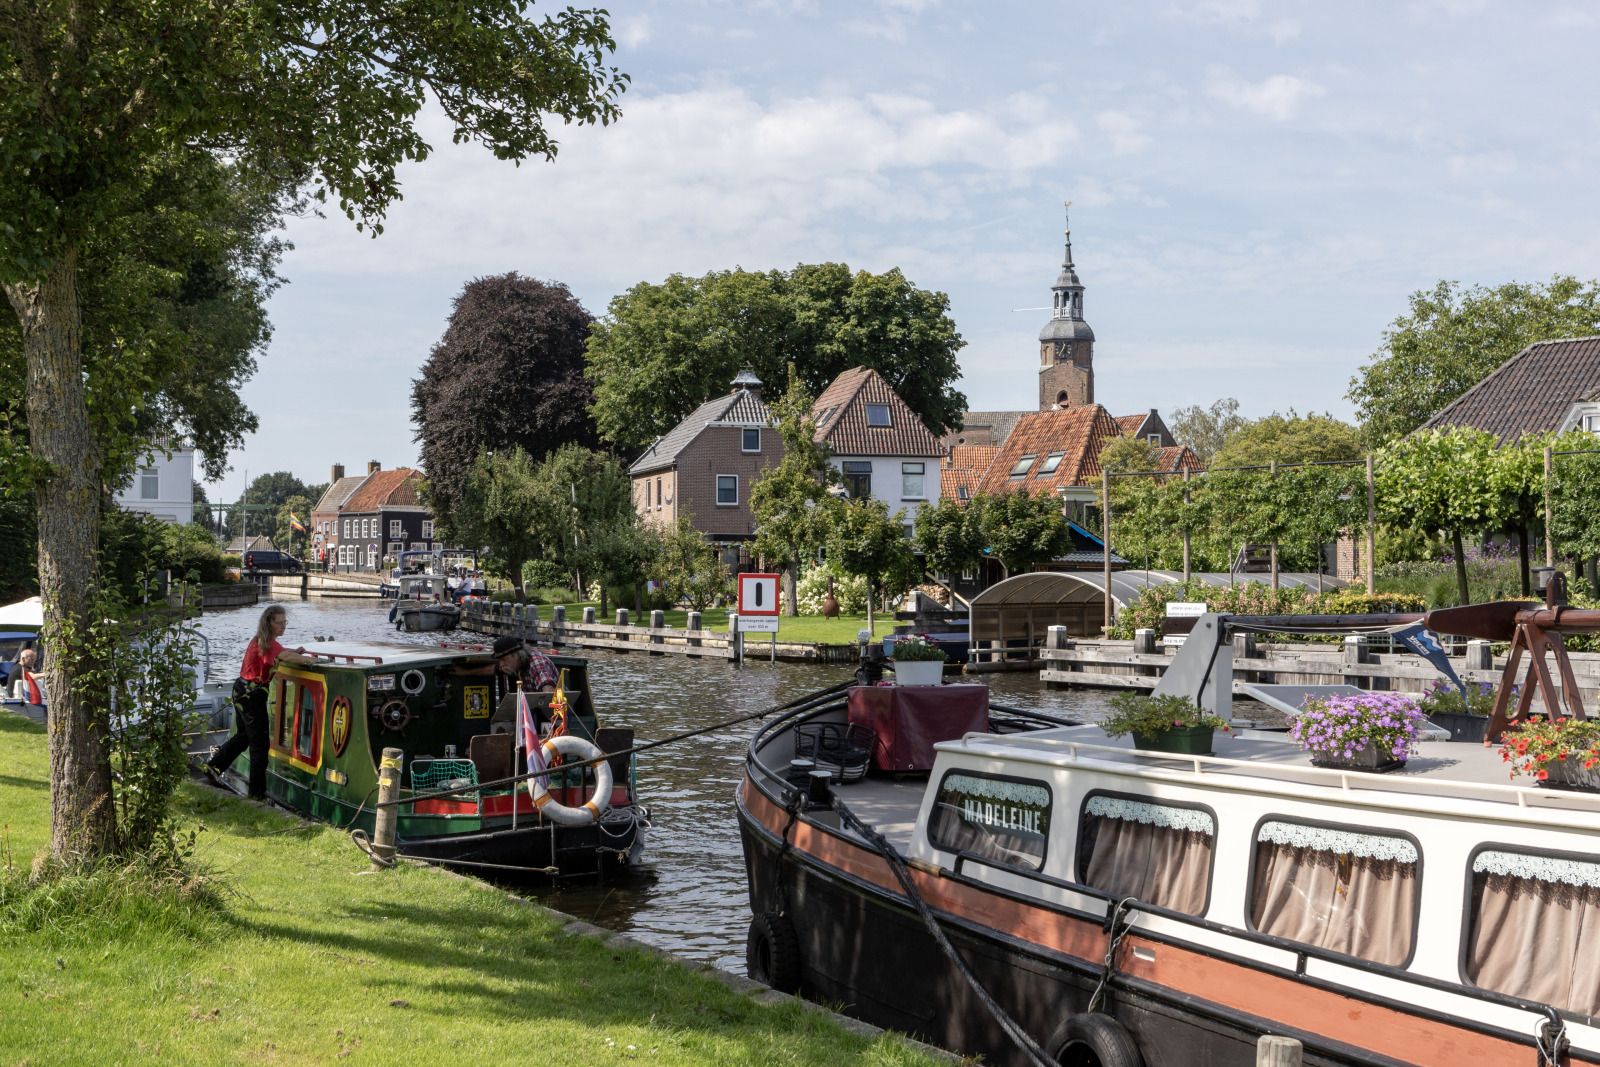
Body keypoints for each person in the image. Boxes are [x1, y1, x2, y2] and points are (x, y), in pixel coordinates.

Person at [207, 605, 299, 798]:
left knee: (243, 737)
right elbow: (284, 656)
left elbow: (281, 652)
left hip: (241, 690)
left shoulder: (262, 641)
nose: (284, 626)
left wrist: (293, 651)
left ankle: (213, 767)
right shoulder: (268, 645)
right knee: (259, 745)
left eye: (285, 622)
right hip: (252, 697)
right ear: (269, 623)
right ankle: (256, 794)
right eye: (280, 623)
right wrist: (308, 660)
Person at [493, 635, 557, 694]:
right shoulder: (519, 663)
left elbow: (549, 692)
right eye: (499, 660)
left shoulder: (536, 663)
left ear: (516, 655)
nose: (501, 664)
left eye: (503, 659)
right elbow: (494, 669)